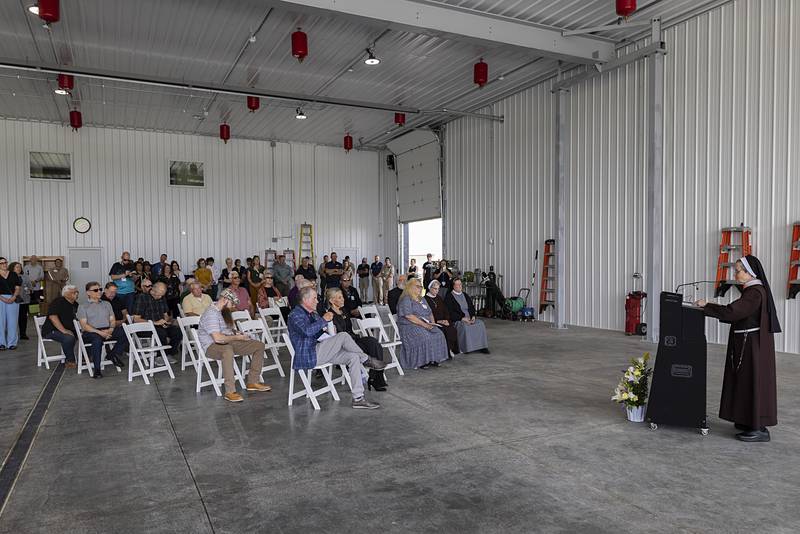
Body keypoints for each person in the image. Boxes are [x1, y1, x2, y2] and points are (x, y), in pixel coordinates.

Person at [694, 255, 780, 443]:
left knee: (752, 382)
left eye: (738, 270)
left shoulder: (755, 292)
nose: (735, 273)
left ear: (750, 273)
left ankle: (759, 429)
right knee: (745, 382)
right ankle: (748, 420)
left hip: (752, 346)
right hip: (747, 343)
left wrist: (706, 305)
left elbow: (733, 312)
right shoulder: (752, 290)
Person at [288, 286, 385, 409]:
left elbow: (319, 333)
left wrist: (328, 330)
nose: (317, 301)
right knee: (343, 335)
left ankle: (358, 398)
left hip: (320, 351)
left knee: (353, 357)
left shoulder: (311, 314)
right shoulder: (295, 315)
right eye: (315, 298)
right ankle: (366, 360)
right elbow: (307, 331)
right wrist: (323, 320)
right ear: (306, 300)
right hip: (309, 355)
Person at [198, 289, 271, 403]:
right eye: (232, 304)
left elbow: (226, 332)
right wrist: (237, 338)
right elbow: (218, 338)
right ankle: (230, 391)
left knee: (258, 345)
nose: (233, 307)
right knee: (227, 350)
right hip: (211, 346)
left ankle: (253, 381)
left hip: (227, 343)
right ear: (225, 300)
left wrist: (237, 333)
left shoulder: (222, 311)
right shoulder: (211, 314)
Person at [326, 287, 387, 391]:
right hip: (344, 344)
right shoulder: (330, 315)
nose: (343, 299)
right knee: (366, 347)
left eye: (342, 297)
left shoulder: (344, 311)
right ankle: (375, 379)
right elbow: (336, 335)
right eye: (339, 298)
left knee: (374, 343)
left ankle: (376, 378)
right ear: (331, 300)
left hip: (354, 338)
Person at [77, 281, 128, 377]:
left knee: (126, 332)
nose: (99, 292)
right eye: (96, 290)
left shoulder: (107, 304)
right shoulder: (83, 306)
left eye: (100, 289)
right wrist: (100, 332)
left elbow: (112, 319)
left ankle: (112, 354)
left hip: (107, 329)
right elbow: (84, 326)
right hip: (91, 331)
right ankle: (97, 369)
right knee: (97, 340)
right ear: (88, 292)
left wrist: (111, 329)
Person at [395, 278, 448, 369]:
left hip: (424, 324)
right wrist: (425, 325)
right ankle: (422, 361)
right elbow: (409, 316)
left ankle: (433, 359)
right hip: (409, 325)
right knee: (425, 336)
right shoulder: (406, 299)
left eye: (421, 287)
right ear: (410, 287)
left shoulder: (422, 299)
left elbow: (430, 312)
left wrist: (432, 323)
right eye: (418, 286)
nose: (420, 289)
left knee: (439, 334)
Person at [132, 281, 182, 361]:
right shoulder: (142, 297)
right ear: (153, 290)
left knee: (178, 332)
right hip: (145, 327)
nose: (160, 297)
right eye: (158, 294)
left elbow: (166, 315)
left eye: (162, 295)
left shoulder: (162, 298)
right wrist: (155, 322)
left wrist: (165, 321)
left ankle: (168, 353)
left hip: (160, 325)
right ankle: (159, 356)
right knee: (161, 333)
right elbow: (136, 319)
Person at [445, 279, 490, 354]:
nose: (460, 286)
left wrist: (473, 316)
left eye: (460, 284)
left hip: (469, 318)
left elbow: (471, 307)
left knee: (480, 324)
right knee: (465, 327)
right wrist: (462, 318)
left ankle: (482, 346)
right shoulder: (449, 297)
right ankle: (467, 348)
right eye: (457, 284)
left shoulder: (465, 295)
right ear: (453, 286)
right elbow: (450, 312)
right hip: (458, 320)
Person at [41, 284, 79, 366]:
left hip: (69, 329)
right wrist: (64, 331)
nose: (76, 294)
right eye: (74, 292)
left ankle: (85, 357)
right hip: (51, 330)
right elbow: (53, 317)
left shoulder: (75, 304)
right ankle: (70, 360)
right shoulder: (58, 301)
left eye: (77, 292)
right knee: (69, 338)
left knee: (88, 336)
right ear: (66, 294)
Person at [425, 280, 459, 355]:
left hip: (444, 320)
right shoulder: (425, 299)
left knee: (452, 329)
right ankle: (445, 352)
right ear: (430, 288)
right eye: (435, 289)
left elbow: (445, 310)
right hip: (434, 322)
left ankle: (451, 349)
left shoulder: (439, 298)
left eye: (438, 289)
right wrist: (438, 321)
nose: (437, 291)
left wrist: (446, 319)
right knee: (444, 331)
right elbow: (427, 314)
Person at [0, 258, 22, 351]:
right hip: (0, 299)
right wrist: (3, 298)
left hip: (13, 298)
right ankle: (1, 343)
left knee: (13, 321)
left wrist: (13, 297)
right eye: (2, 263)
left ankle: (12, 343)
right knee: (0, 322)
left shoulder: (13, 274)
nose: (4, 264)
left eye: (5, 262)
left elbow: (17, 287)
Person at [12, 262, 32, 340]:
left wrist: (29, 290)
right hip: (13, 300)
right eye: (17, 267)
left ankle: (23, 334)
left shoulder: (25, 277)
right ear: (12, 268)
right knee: (13, 318)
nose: (19, 269)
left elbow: (30, 287)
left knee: (23, 318)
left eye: (20, 267)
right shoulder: (9, 277)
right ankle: (13, 334)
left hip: (24, 300)